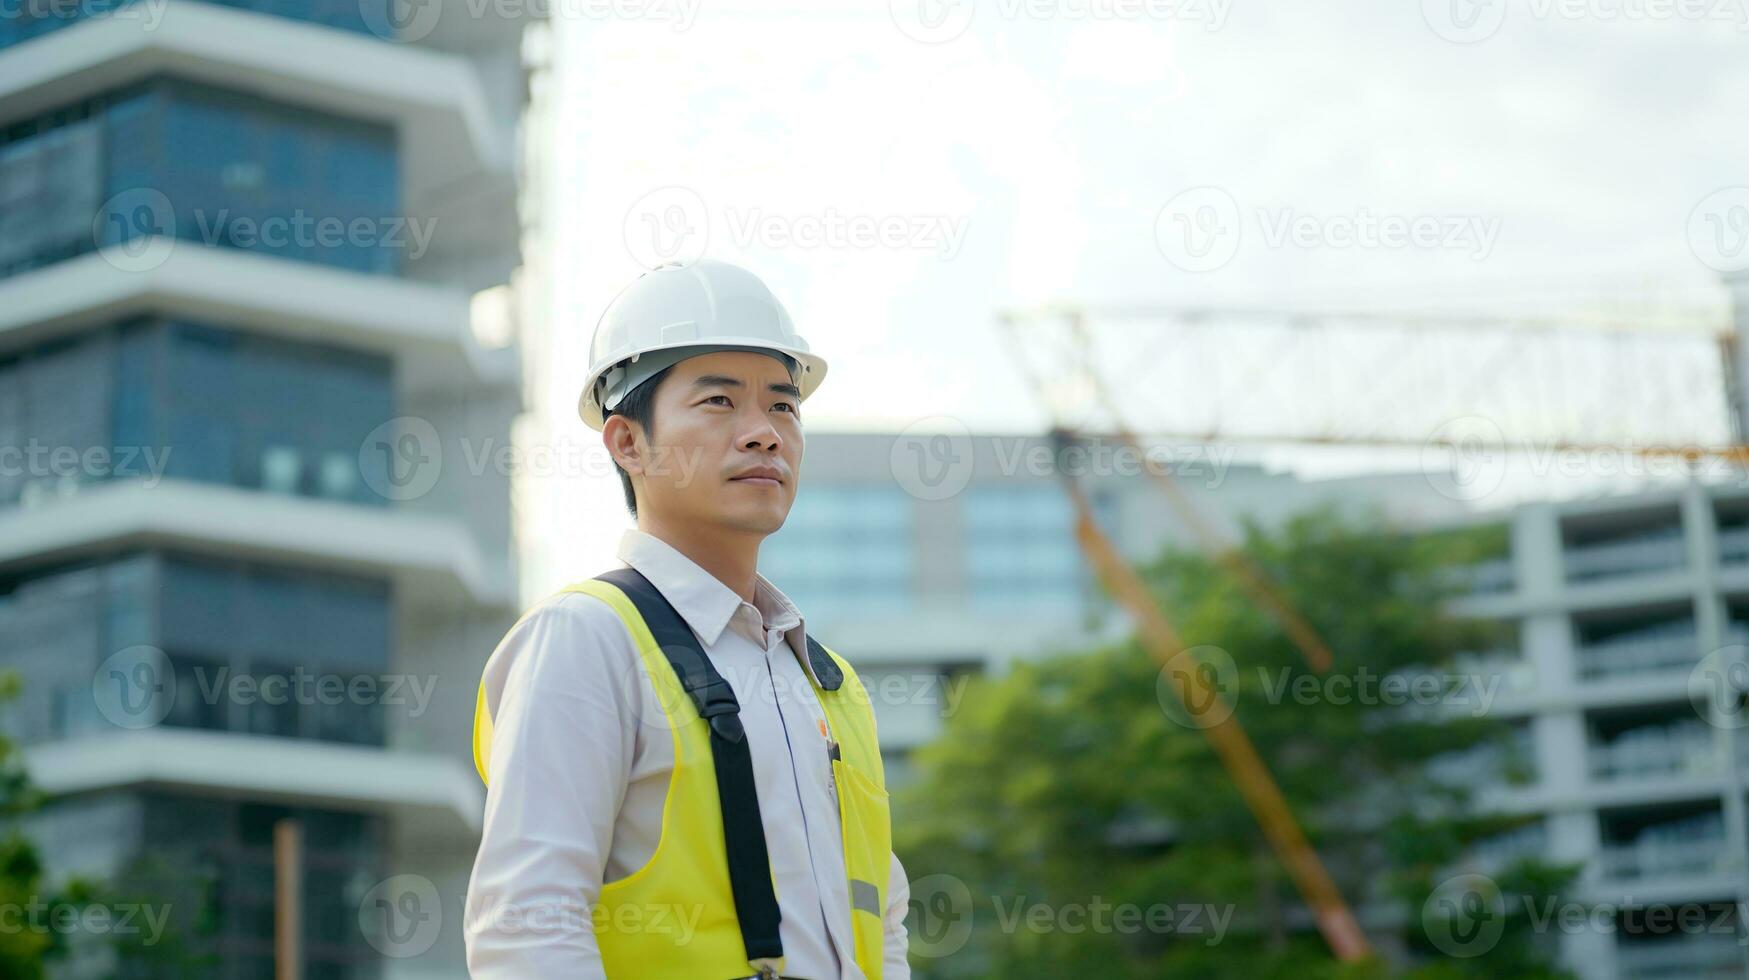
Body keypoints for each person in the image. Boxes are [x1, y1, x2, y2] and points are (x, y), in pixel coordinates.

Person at [464, 259, 911, 979]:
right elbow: (528, 927)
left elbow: (883, 922)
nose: (764, 433)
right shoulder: (587, 641)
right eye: (719, 402)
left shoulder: (830, 685)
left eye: (783, 407)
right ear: (626, 442)